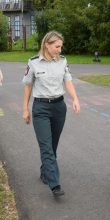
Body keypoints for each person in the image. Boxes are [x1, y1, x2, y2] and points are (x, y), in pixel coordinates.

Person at [22, 31, 80, 197]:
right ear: (46, 45)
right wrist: (25, 109)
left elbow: (67, 81)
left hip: (59, 107)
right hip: (40, 109)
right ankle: (54, 184)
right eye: (57, 46)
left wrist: (75, 98)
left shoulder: (63, 62)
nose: (59, 50)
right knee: (46, 147)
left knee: (52, 145)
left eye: (60, 46)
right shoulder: (33, 63)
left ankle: (44, 171)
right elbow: (27, 86)